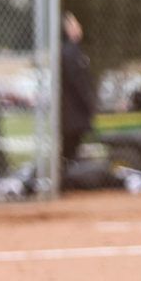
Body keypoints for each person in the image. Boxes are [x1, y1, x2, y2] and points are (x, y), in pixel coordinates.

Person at [60, 12, 97, 166]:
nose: (79, 27)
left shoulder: (75, 51)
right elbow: (78, 82)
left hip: (75, 113)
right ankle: (65, 177)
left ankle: (67, 171)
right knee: (69, 148)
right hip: (73, 113)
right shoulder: (70, 52)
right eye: (74, 24)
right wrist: (90, 103)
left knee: (72, 149)